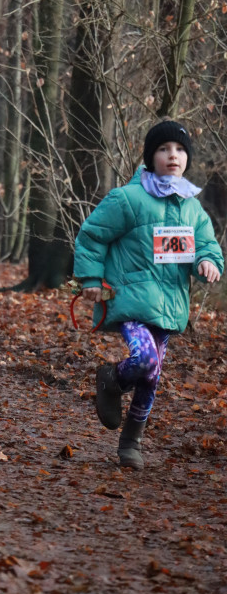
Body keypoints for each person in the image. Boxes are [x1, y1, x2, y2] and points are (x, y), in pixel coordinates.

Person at [73, 120, 224, 469]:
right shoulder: (128, 199)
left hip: (170, 306)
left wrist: (208, 262)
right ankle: (112, 379)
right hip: (130, 299)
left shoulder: (192, 208)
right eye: (163, 149)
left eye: (180, 149)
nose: (173, 155)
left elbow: (208, 247)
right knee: (146, 361)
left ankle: (131, 444)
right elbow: (92, 236)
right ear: (150, 156)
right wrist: (91, 278)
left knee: (152, 379)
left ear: (188, 158)